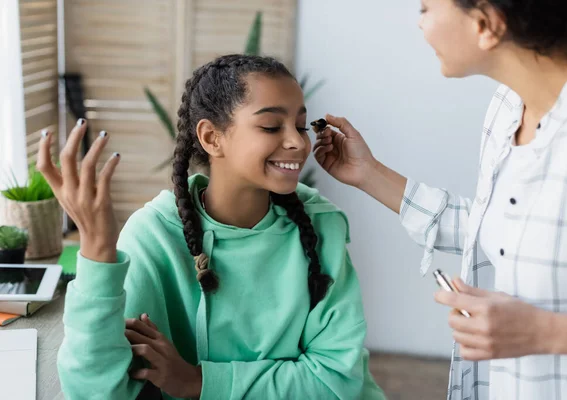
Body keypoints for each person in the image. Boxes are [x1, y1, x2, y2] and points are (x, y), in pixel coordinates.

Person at [38, 55, 385, 399]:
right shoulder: (154, 235)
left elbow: (338, 381)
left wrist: (199, 382)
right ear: (211, 137)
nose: (297, 142)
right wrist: (97, 251)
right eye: (271, 126)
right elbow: (95, 392)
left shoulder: (321, 224)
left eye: (301, 125)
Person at [312, 1, 567, 399]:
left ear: (486, 24)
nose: (420, 24)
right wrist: (369, 173)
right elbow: (506, 233)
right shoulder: (507, 107)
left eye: (426, 7)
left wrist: (543, 331)